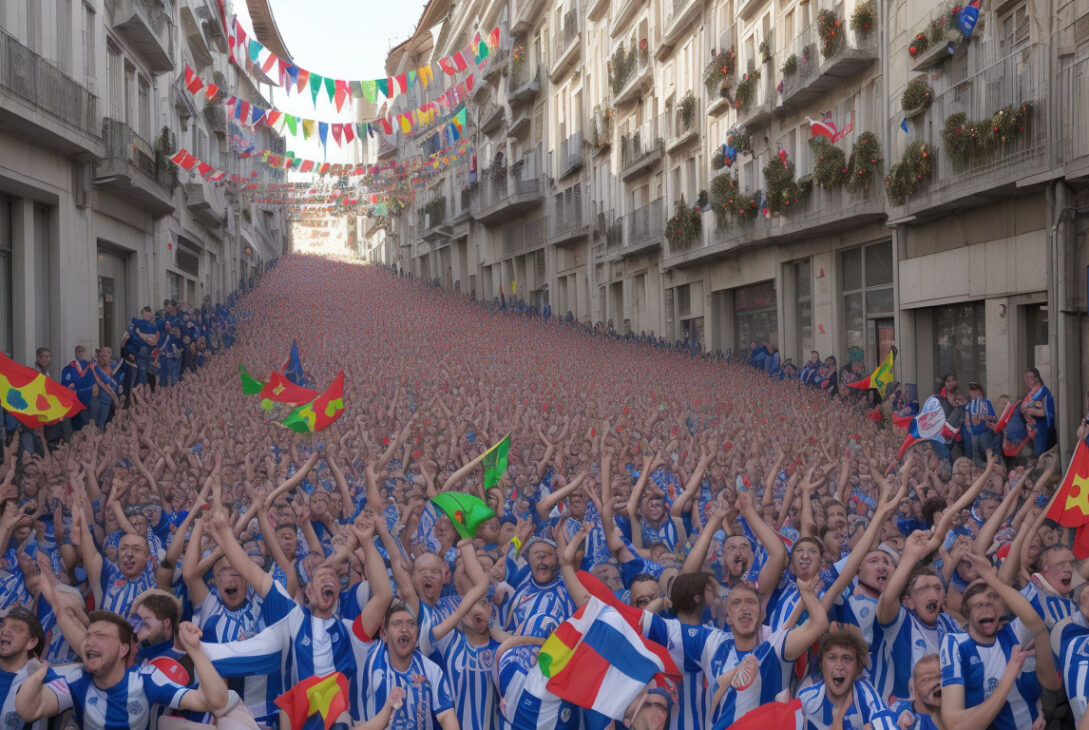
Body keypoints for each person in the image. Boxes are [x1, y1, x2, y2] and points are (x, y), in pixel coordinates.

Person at [15, 612, 230, 730]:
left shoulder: (146, 679)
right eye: (88, 636)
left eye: (101, 636)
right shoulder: (77, 678)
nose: (89, 642)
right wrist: (42, 670)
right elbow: (30, 710)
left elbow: (214, 701)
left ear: (122, 649)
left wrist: (194, 649)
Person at [939, 554, 1060, 730]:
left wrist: (988, 576)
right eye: (979, 604)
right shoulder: (955, 643)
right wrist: (1009, 674)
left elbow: (1035, 621)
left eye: (992, 599)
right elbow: (953, 722)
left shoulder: (1010, 634)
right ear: (966, 611)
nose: (987, 606)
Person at [798, 626, 899, 730]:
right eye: (832, 658)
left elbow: (886, 721)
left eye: (846, 658)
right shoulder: (805, 699)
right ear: (821, 665)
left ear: (857, 668)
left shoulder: (865, 694)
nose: (839, 666)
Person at [1021, 368, 1057, 457]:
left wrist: (1030, 411)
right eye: (1025, 379)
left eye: (1030, 378)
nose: (1027, 381)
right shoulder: (1030, 394)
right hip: (1032, 431)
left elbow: (1045, 412)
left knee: (1041, 456)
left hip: (1043, 430)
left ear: (1036, 379)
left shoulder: (1043, 391)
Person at [60, 345, 95, 431]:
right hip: (74, 403)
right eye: (78, 351)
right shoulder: (68, 368)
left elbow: (94, 385)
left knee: (87, 430)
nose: (80, 352)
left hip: (88, 401)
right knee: (75, 430)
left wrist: (77, 387)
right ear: (75, 353)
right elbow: (66, 386)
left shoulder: (92, 368)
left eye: (83, 350)